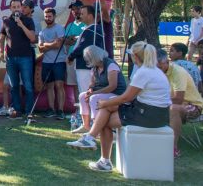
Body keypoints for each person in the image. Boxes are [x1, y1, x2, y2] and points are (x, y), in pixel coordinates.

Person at [67, 42, 171, 172]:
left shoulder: (143, 72)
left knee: (104, 120)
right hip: (157, 114)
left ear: (135, 57)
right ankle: (92, 141)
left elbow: (126, 98)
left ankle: (99, 152)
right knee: (106, 112)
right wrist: (108, 103)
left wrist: (105, 103)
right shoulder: (155, 71)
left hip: (147, 115)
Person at [157, 48, 203, 158]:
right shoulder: (157, 72)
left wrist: (157, 102)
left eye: (160, 65)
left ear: (167, 62)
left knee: (174, 109)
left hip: (193, 105)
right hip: (170, 104)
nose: (157, 68)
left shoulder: (178, 72)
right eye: (155, 66)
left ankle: (173, 148)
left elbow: (178, 99)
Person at [71, 46, 126, 134]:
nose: (87, 60)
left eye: (88, 58)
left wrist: (93, 93)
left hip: (116, 93)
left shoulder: (111, 65)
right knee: (82, 96)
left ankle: (97, 127)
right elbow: (92, 84)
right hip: (103, 92)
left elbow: (112, 86)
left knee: (94, 98)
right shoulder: (95, 68)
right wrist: (90, 90)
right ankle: (86, 126)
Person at [1, 0, 36, 118]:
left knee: (28, 85)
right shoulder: (6, 21)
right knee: (14, 85)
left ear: (21, 8)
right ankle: (17, 109)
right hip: (11, 58)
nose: (16, 9)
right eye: (13, 7)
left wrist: (21, 25)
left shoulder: (28, 20)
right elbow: (2, 37)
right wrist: (1, 51)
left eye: (18, 6)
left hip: (25, 57)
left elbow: (32, 38)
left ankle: (29, 111)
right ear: (10, 8)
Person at [67, 5, 109, 95]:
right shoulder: (92, 29)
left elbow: (83, 46)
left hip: (85, 67)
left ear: (90, 16)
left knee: (85, 93)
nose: (80, 15)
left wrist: (71, 57)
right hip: (87, 66)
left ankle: (86, 109)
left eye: (82, 14)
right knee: (85, 92)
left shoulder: (92, 30)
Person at [38, 7, 67, 119]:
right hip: (46, 62)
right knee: (49, 86)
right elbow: (40, 49)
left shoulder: (59, 28)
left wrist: (46, 44)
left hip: (59, 61)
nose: (48, 18)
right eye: (46, 16)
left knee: (59, 85)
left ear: (54, 17)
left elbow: (58, 45)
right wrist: (51, 43)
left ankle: (60, 110)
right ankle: (51, 109)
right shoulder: (42, 32)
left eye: (50, 16)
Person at [64, 0, 86, 104]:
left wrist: (75, 38)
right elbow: (67, 42)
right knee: (75, 84)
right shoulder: (70, 26)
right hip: (72, 58)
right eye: (73, 9)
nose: (75, 11)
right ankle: (78, 109)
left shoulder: (87, 23)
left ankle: (86, 109)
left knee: (84, 84)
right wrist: (72, 39)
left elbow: (85, 39)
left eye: (77, 8)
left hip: (85, 58)